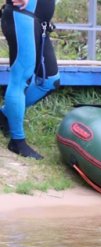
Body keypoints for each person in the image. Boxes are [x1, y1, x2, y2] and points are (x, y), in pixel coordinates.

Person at [0, 0, 60, 159]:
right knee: (20, 79)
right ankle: (17, 141)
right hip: (22, 17)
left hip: (39, 23)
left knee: (50, 81)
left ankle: (4, 115)